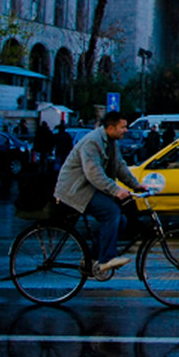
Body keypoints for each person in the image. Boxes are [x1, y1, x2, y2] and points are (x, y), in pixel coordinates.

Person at [53, 111, 143, 274]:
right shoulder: (92, 142)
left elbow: (120, 166)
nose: (126, 130)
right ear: (110, 127)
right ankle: (106, 259)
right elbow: (93, 173)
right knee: (111, 211)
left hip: (89, 189)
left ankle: (92, 260)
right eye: (122, 127)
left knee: (120, 221)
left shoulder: (112, 142)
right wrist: (116, 190)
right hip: (76, 190)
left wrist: (136, 186)